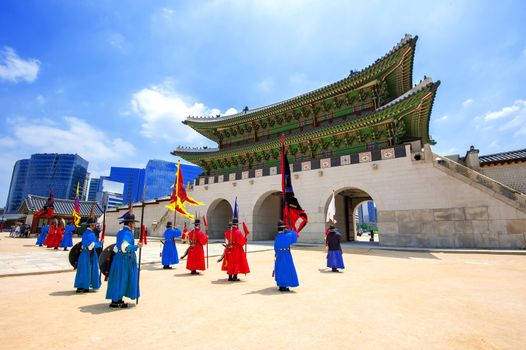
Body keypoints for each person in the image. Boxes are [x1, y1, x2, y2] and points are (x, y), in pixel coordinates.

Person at [105, 212, 142, 308]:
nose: (134, 225)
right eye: (133, 223)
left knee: (120, 279)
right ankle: (116, 301)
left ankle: (117, 299)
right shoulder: (126, 233)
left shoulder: (122, 232)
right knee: (121, 279)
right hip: (123, 260)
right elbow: (124, 247)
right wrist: (136, 246)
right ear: (130, 223)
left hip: (121, 259)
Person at [74, 217, 102, 293]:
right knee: (86, 270)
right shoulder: (90, 234)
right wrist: (99, 244)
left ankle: (84, 286)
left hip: (86, 254)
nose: (95, 226)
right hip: (88, 254)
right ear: (91, 225)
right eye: (94, 225)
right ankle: (83, 286)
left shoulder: (86, 233)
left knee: (85, 270)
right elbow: (91, 245)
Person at [273, 220, 299, 292]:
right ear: (284, 228)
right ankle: (284, 286)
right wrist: (288, 230)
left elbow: (275, 247)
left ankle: (281, 285)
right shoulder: (288, 235)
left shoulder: (277, 237)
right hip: (286, 254)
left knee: (280, 269)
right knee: (286, 270)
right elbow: (295, 235)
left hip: (279, 255)